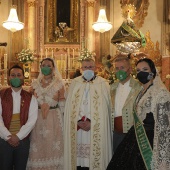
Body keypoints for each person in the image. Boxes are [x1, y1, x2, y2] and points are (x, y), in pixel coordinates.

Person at [107, 57, 170, 170]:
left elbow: (164, 127)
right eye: (139, 71)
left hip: (149, 142)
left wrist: (162, 156)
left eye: (145, 69)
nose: (141, 73)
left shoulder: (161, 93)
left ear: (153, 72)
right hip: (135, 138)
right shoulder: (142, 92)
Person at [64, 57, 112, 170]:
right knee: (78, 161)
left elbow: (105, 109)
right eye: (85, 67)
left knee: (94, 159)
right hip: (78, 128)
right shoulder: (75, 83)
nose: (88, 69)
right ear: (81, 69)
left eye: (90, 67)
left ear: (95, 68)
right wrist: (78, 121)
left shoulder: (103, 84)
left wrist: (92, 122)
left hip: (95, 128)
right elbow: (69, 107)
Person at [27, 58, 65, 170]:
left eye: (49, 65)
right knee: (37, 145)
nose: (46, 68)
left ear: (53, 68)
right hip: (37, 119)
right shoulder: (34, 84)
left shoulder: (59, 84)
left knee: (53, 145)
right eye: (43, 65)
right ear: (40, 67)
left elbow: (62, 103)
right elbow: (29, 103)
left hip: (54, 119)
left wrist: (64, 119)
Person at [0, 65, 38, 170]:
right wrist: (7, 136)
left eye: (18, 75)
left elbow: (32, 120)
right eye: (13, 75)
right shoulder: (1, 95)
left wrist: (18, 136)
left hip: (22, 141)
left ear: (23, 77)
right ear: (8, 78)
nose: (16, 77)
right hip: (3, 140)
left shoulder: (31, 98)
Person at [111, 54, 141, 152]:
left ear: (130, 70)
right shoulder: (111, 88)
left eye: (122, 68)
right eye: (117, 68)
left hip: (132, 134)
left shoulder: (138, 87)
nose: (119, 71)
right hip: (115, 133)